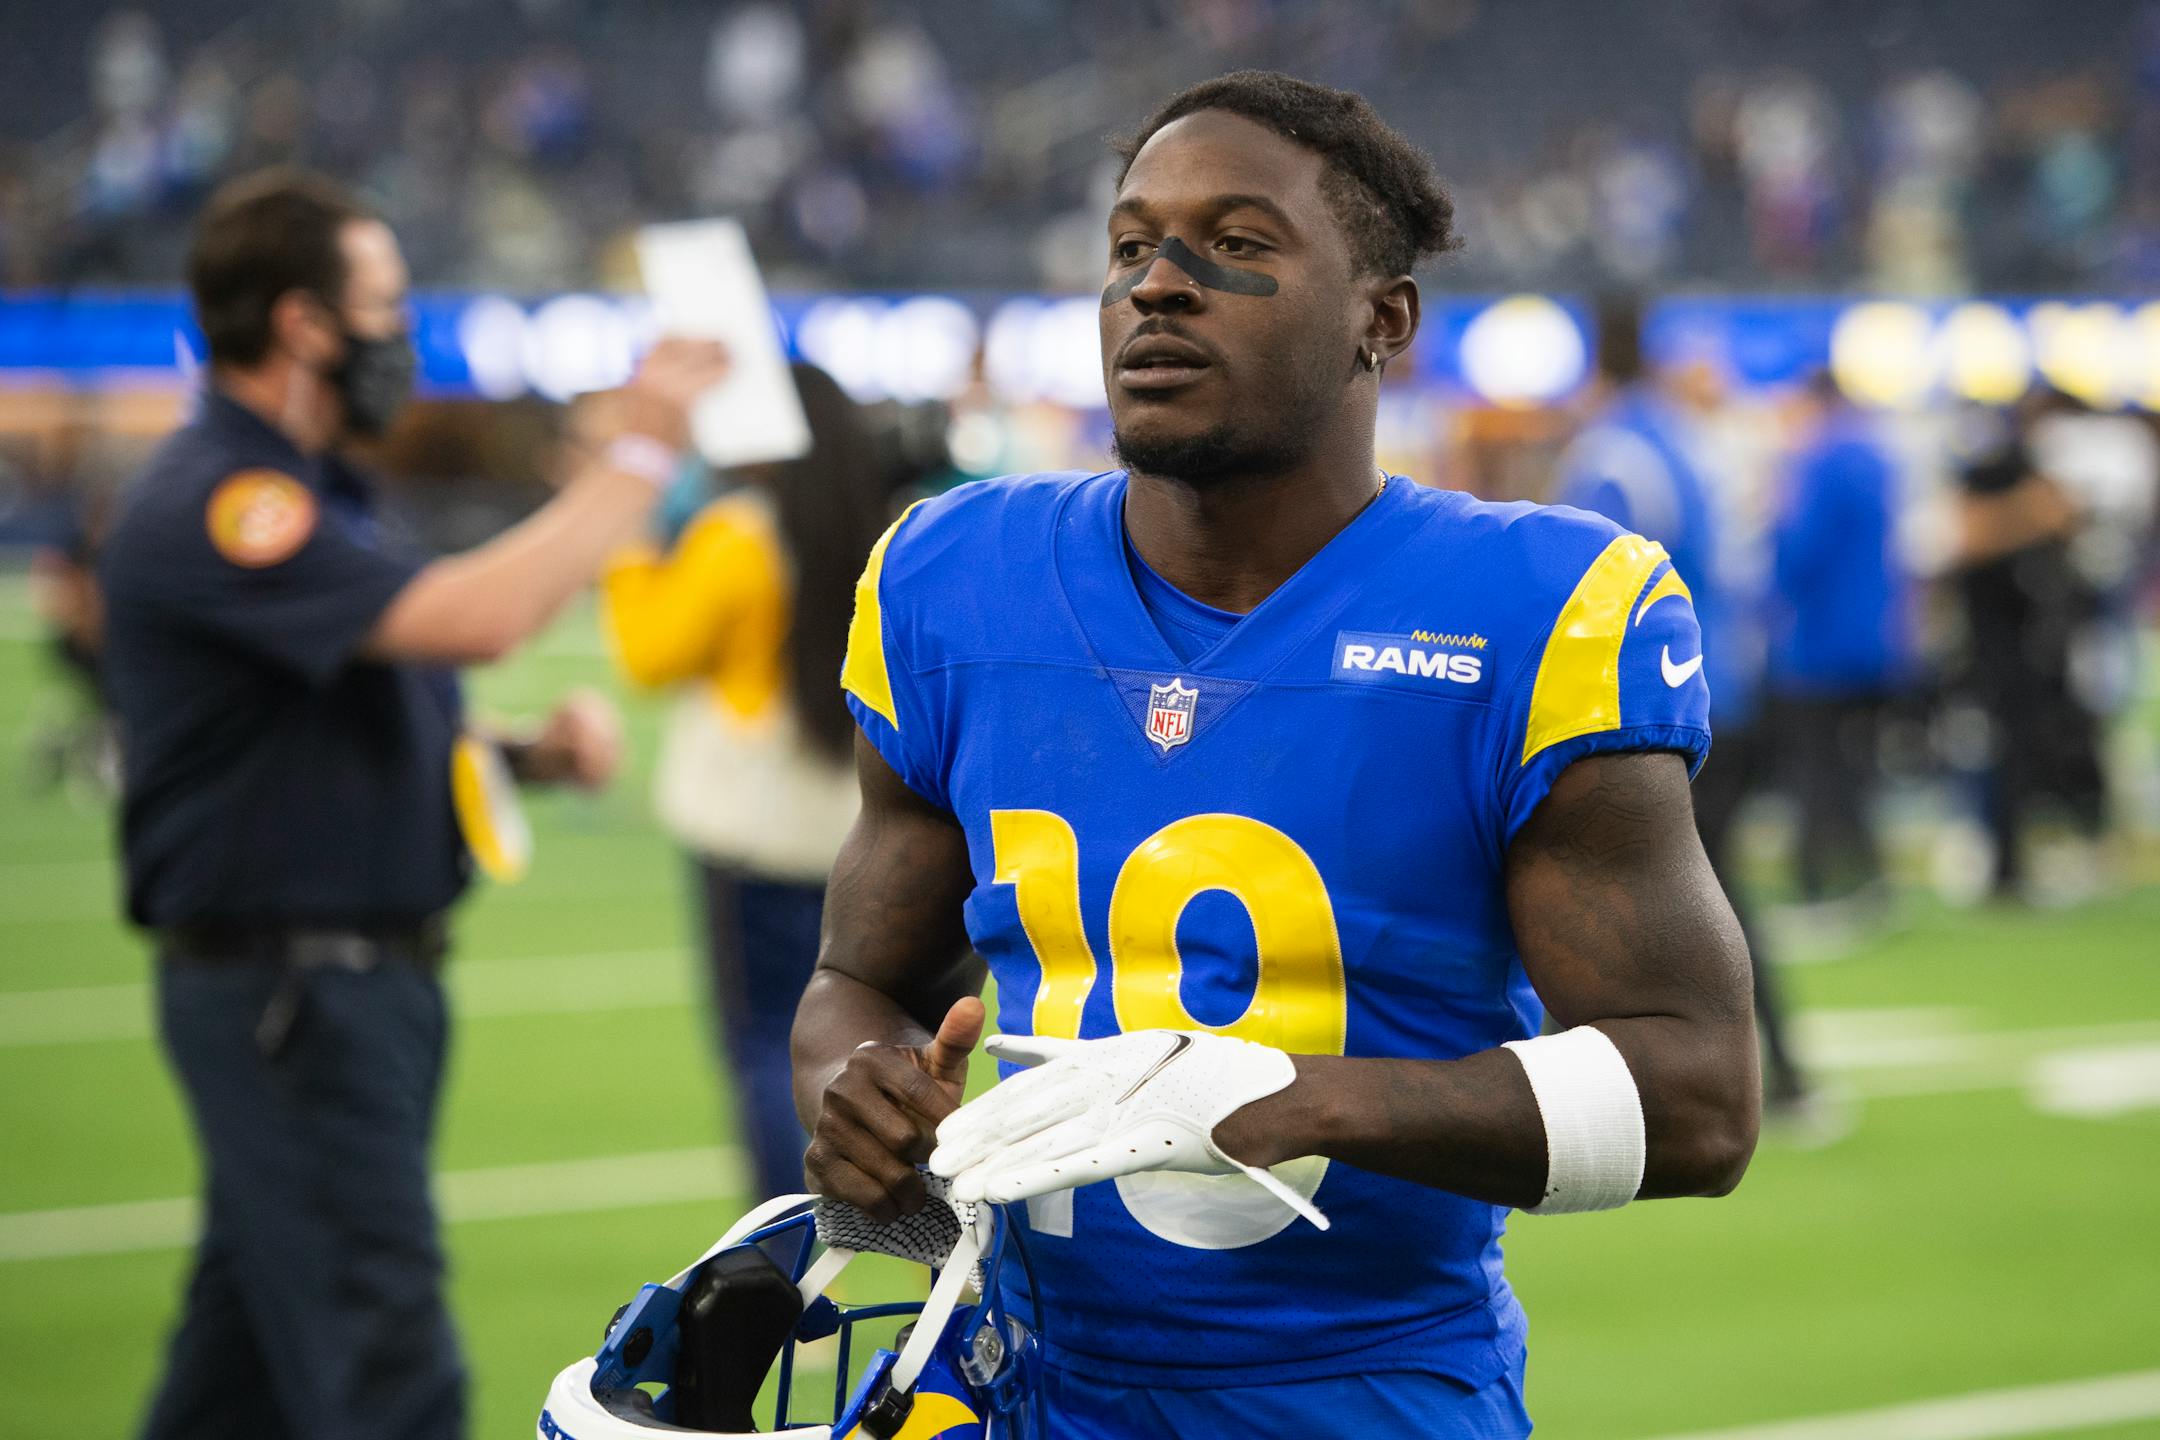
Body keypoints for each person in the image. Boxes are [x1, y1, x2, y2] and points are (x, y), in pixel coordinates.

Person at [791, 72, 1757, 1438]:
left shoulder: (1537, 609)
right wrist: (863, 1097)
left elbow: (1701, 1098)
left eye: (1236, 245)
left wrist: (1291, 1101)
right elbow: (854, 984)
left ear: (1384, 317)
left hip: (1357, 1391)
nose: (1159, 286)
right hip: (1018, 1382)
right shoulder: (953, 574)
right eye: (1131, 247)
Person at [96, 168, 726, 1440]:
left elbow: (310, 730)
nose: (406, 333)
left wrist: (519, 754)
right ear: (303, 325)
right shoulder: (235, 497)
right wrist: (642, 451)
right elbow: (474, 618)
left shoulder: (314, 486)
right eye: (384, 302)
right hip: (299, 995)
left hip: (328, 989)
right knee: (388, 1368)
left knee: (243, 1373)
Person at [600, 363, 892, 1201]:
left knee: (768, 1047)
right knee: (885, 1052)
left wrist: (627, 547)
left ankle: (783, 1260)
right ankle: (933, 1261)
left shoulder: (739, 534)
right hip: (864, 829)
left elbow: (648, 655)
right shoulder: (890, 529)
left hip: (754, 829)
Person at [1555, 296, 1812, 1119]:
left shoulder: (1617, 451)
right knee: (1680, 885)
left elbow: (1590, 592)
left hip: (1664, 705)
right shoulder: (1682, 436)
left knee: (1635, 883)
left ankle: (1767, 1074)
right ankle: (1775, 1071)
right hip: (1728, 683)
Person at [1766, 372, 1910, 906]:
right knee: (1859, 766)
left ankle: (1818, 884)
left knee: (1816, 767)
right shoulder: (1877, 455)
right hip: (1877, 637)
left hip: (1819, 641)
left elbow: (1800, 551)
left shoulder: (1816, 460)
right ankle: (1870, 877)